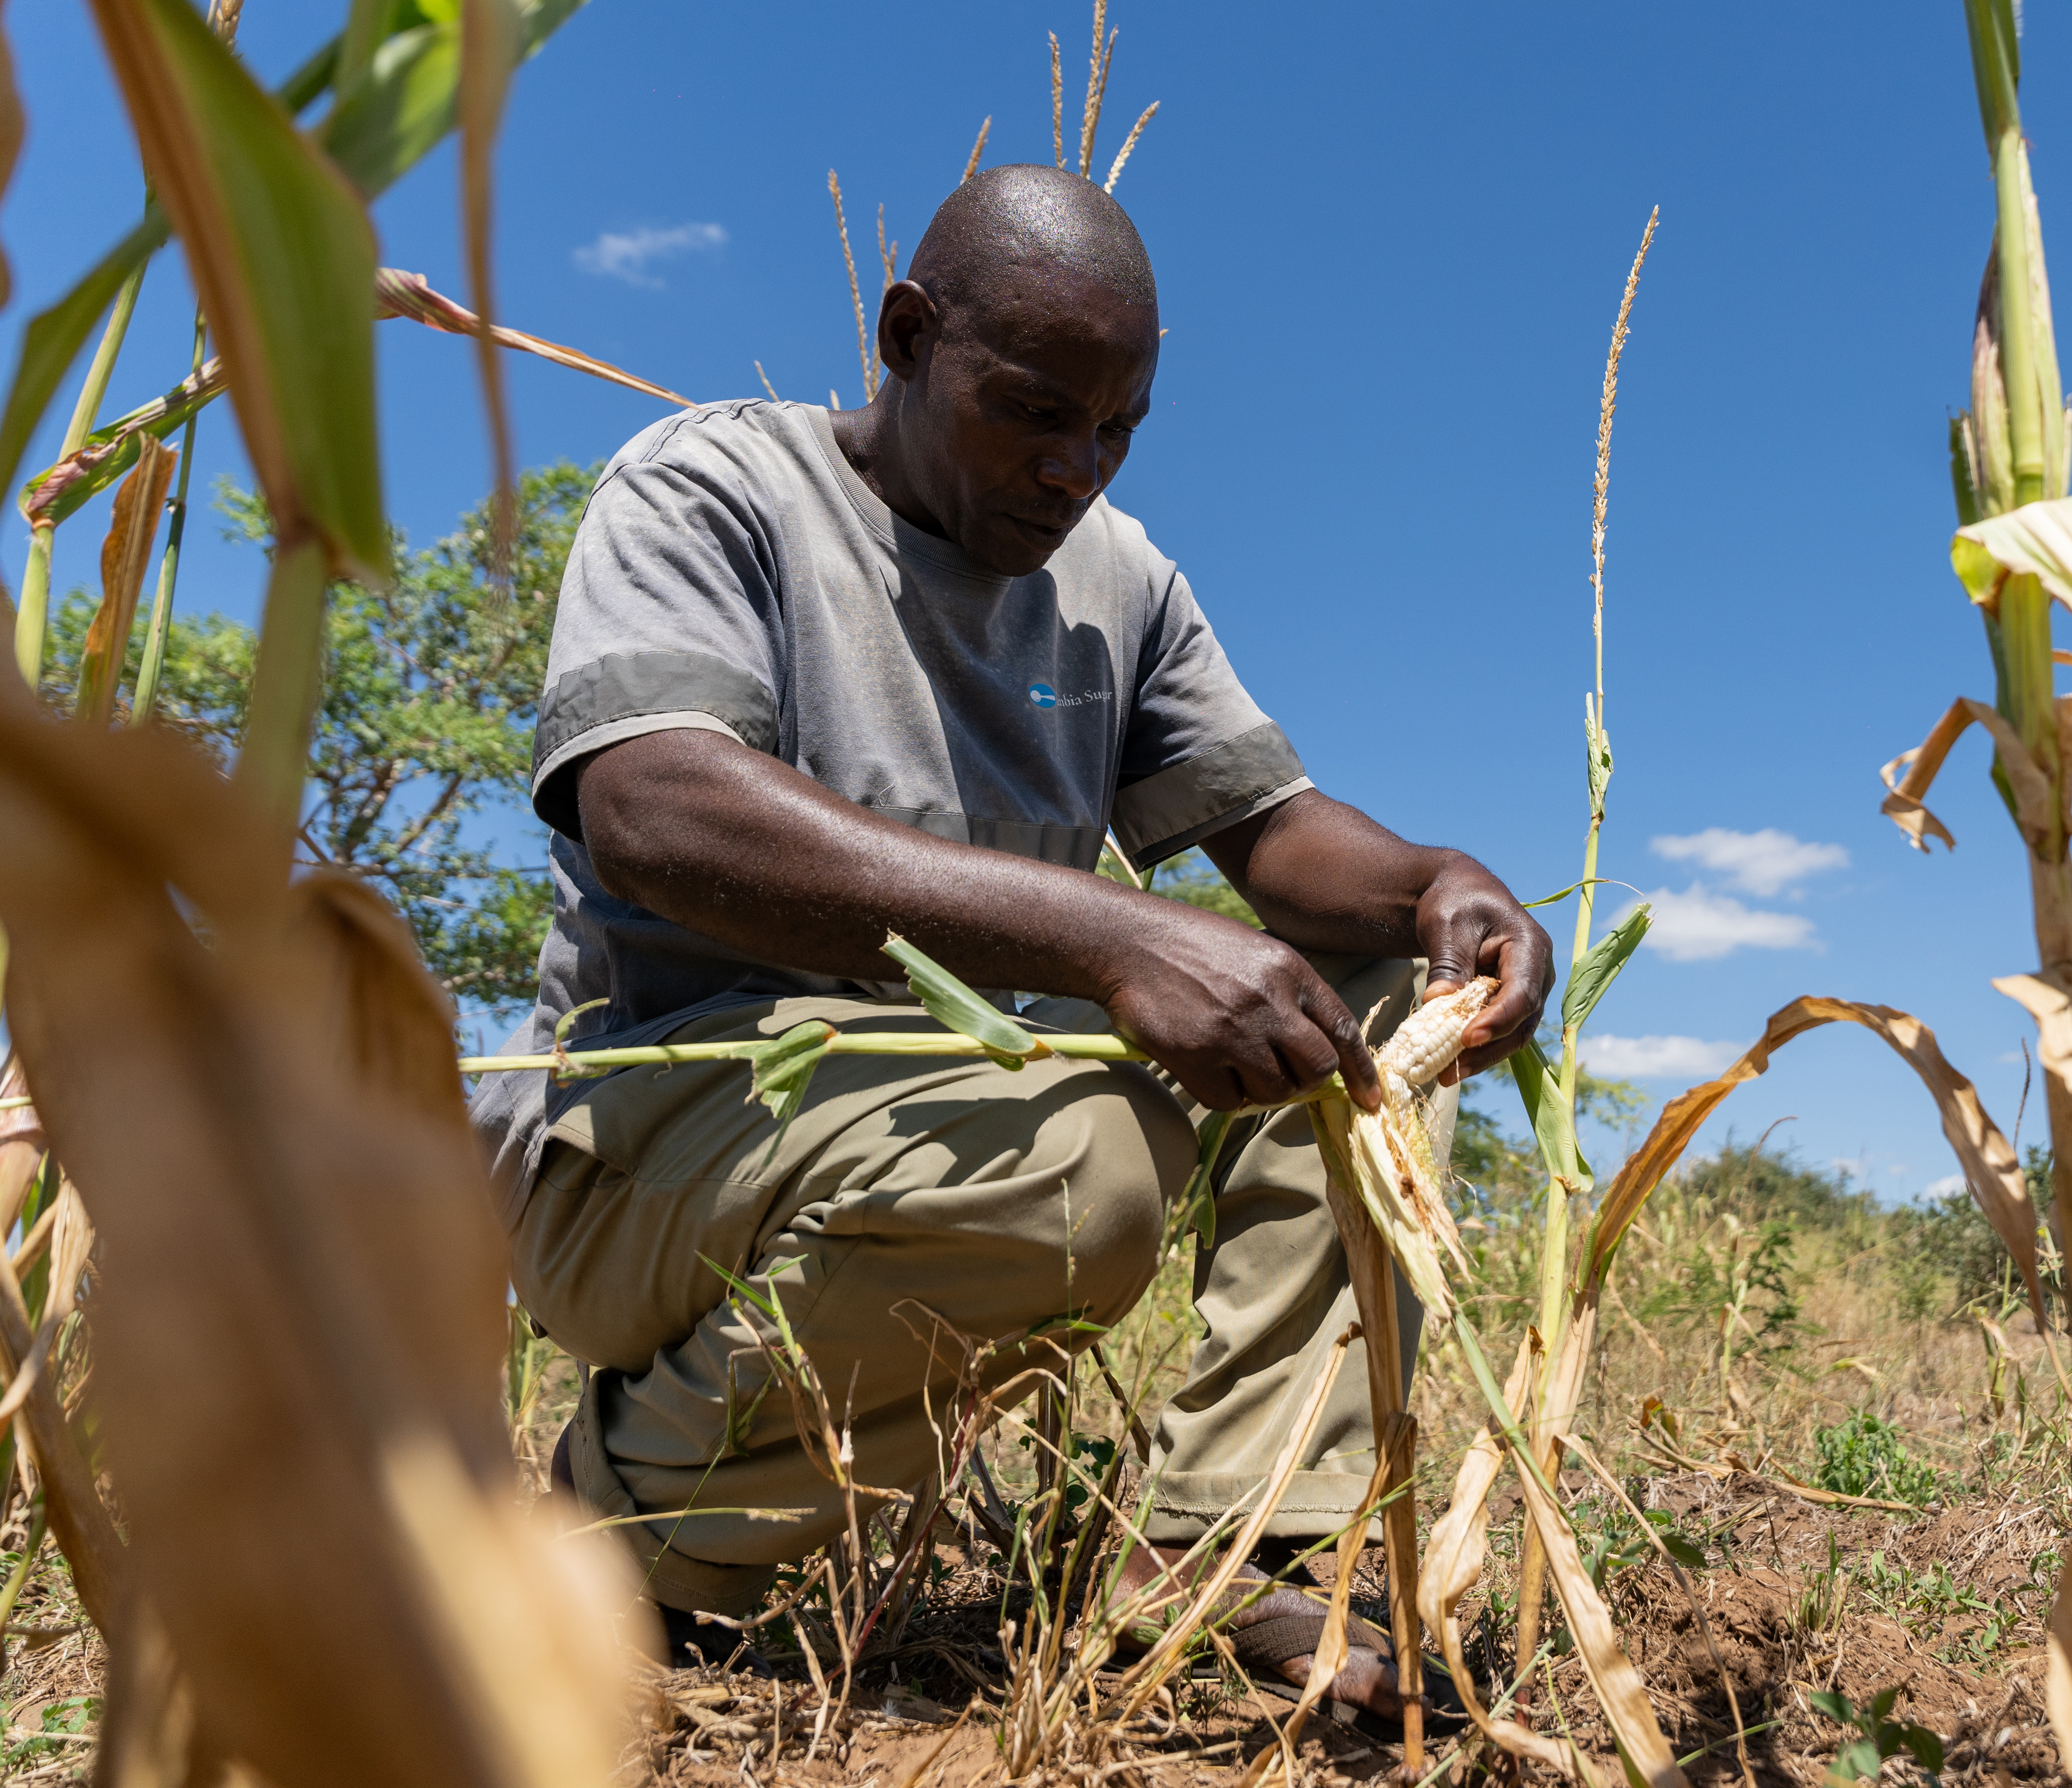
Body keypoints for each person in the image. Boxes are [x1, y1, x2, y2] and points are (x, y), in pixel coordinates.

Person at [469, 164, 1553, 1713]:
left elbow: (1280, 841)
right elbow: (657, 809)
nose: (1078, 468)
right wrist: (1116, 935)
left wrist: (1438, 885)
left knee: (1377, 996)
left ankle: (1227, 1550)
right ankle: (631, 1549)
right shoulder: (714, 489)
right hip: (645, 1149)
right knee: (1082, 1162)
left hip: (963, 1127)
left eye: (1118, 430)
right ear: (908, 335)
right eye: (1036, 411)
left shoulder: (1119, 585)